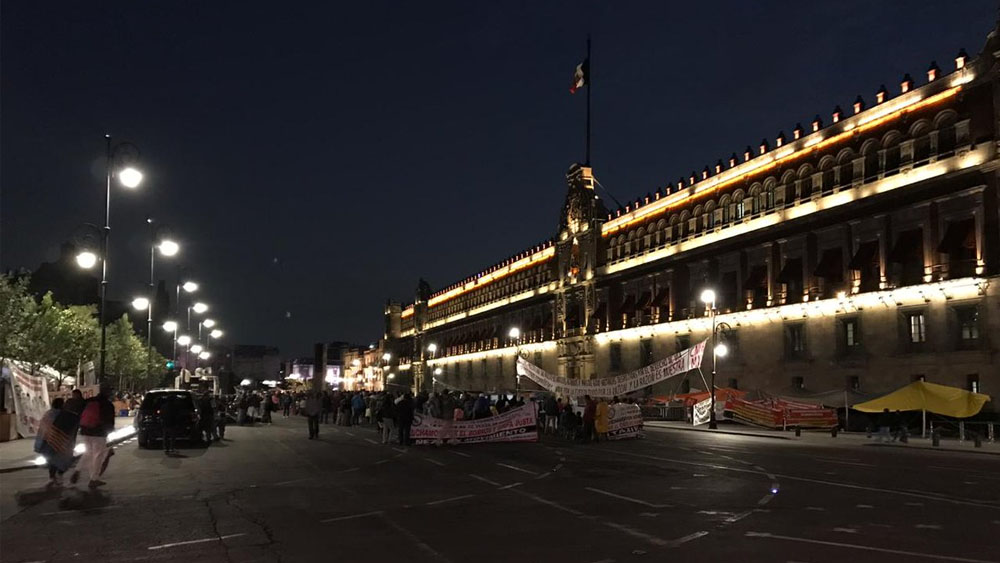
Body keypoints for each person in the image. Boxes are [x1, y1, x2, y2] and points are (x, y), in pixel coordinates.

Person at [74, 387, 116, 487]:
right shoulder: (107, 404)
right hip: (99, 432)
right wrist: (109, 432)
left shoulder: (90, 401)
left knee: (88, 452)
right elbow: (109, 421)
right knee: (98, 455)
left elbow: (80, 413)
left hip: (85, 430)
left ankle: (77, 470)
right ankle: (94, 479)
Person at [35, 398, 79, 487]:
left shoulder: (48, 414)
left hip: (49, 441)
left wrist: (39, 443)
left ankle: (52, 477)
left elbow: (42, 428)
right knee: (62, 459)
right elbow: (73, 428)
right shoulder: (68, 415)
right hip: (63, 442)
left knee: (51, 460)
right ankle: (59, 475)